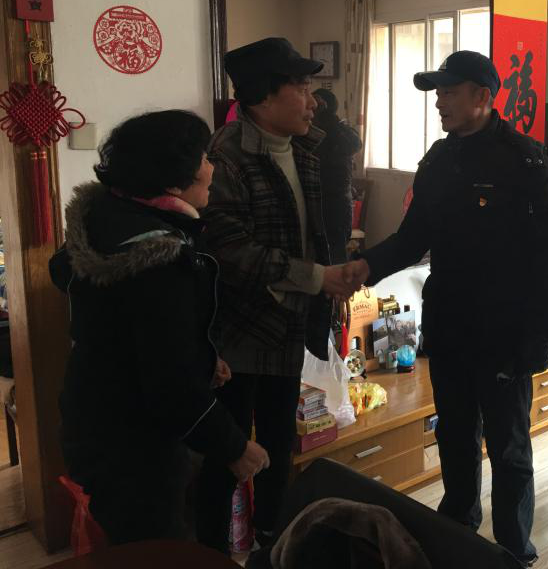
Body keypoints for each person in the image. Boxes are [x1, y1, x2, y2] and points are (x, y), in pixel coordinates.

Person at [342, 51, 548, 567]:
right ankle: (459, 532)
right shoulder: (439, 161)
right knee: (454, 434)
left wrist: (538, 336)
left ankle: (513, 550)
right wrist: (365, 266)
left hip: (504, 332)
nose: (439, 103)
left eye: (448, 92)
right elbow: (413, 237)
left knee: (508, 447)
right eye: (438, 93)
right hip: (449, 325)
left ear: (482, 96)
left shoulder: (525, 161)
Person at [50, 110, 268, 544]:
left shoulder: (107, 215)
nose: (212, 167)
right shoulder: (158, 259)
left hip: (94, 416)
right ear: (172, 181)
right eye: (205, 157)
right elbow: (172, 385)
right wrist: (234, 447)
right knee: (157, 549)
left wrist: (199, 355)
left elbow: (129, 326)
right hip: (135, 442)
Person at [196, 38, 355, 553]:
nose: (313, 101)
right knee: (228, 457)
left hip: (290, 324)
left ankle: (272, 548)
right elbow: (230, 251)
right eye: (302, 88)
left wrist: (331, 280)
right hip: (241, 333)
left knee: (279, 448)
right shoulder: (227, 155)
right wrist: (317, 277)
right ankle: (211, 553)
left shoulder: (307, 147)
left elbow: (318, 230)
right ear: (264, 96)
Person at [312, 88, 362, 263]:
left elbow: (355, 144)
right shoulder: (307, 129)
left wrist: (327, 117)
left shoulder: (339, 131)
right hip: (317, 201)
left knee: (336, 254)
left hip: (335, 203)